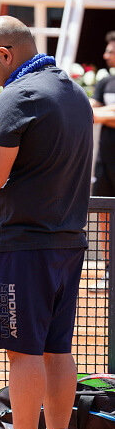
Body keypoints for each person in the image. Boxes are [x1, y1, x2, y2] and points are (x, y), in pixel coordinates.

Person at [0, 16, 93, 429]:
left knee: (24, 352)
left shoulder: (18, 96)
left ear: (6, 55)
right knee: (58, 350)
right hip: (68, 242)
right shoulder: (75, 93)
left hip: (24, 246)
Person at [90, 31, 115, 289]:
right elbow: (90, 113)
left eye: (110, 51)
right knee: (106, 216)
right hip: (104, 161)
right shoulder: (105, 81)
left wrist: (103, 113)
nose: (105, 55)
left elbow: (98, 112)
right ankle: (110, 271)